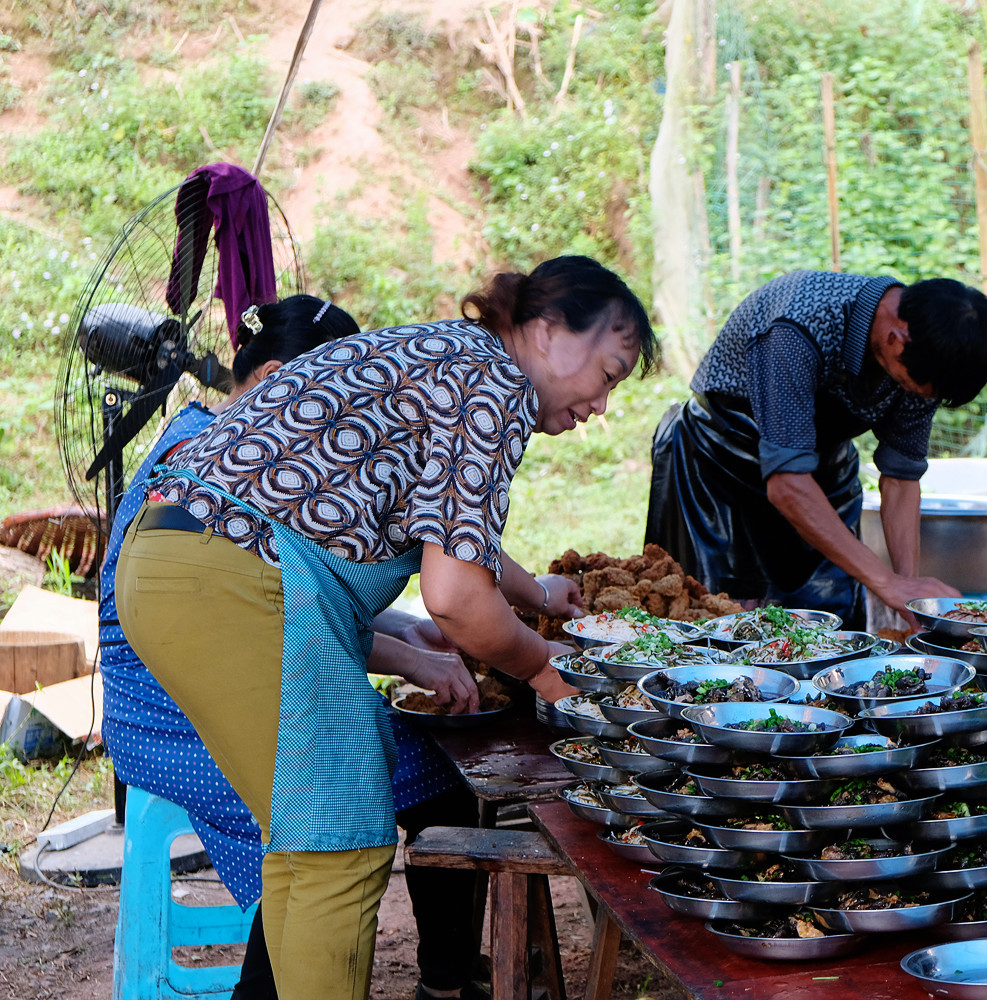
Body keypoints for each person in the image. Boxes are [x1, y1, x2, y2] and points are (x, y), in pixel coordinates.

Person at [116, 256, 656, 1000]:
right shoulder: (494, 382)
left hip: (182, 556)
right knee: (336, 843)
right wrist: (543, 669)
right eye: (610, 371)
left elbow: (457, 535)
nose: (602, 404)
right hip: (235, 573)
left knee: (311, 846)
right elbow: (457, 597)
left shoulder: (450, 356)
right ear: (550, 330)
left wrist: (536, 593)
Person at [99, 295, 504, 1000]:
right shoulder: (210, 456)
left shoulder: (216, 443)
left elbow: (296, 594)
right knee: (337, 819)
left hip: (211, 678)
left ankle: (441, 979)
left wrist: (408, 630)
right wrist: (414, 654)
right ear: (276, 380)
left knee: (331, 819)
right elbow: (254, 611)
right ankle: (441, 984)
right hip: (176, 713)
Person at [646, 270, 987, 628]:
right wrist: (885, 581)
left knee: (829, 626)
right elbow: (787, 482)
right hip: (720, 467)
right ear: (897, 339)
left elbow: (900, 477)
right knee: (718, 622)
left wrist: (906, 592)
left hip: (820, 465)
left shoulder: (928, 352)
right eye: (915, 387)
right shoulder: (796, 325)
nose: (918, 398)